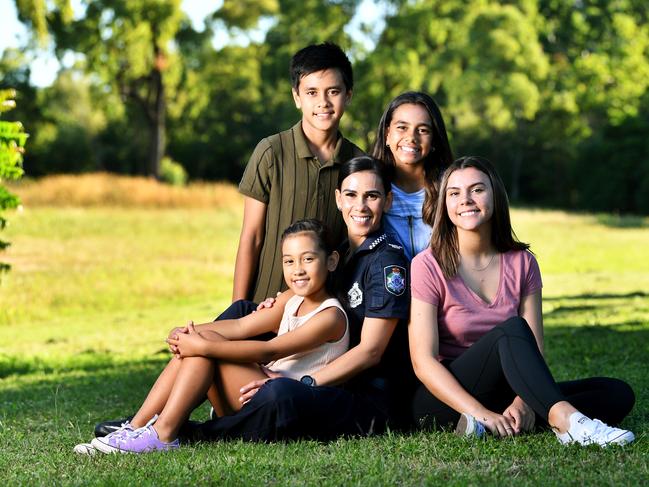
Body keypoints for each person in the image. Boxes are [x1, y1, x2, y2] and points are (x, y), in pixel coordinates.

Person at [175, 155, 411, 441]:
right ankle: (158, 418)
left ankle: (189, 433)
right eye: (351, 195)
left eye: (371, 196)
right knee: (241, 311)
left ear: (386, 201)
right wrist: (190, 333)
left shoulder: (387, 262)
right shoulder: (342, 251)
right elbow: (284, 305)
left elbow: (370, 352)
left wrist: (304, 383)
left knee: (280, 392)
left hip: (363, 394)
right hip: (329, 375)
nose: (359, 206)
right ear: (339, 199)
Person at [408, 156, 635, 446]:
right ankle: (565, 423)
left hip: (506, 388)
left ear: (495, 196)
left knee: (616, 392)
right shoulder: (427, 265)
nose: (465, 199)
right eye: (454, 193)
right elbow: (423, 361)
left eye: (477, 189)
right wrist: (481, 412)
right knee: (512, 330)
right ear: (445, 204)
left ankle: (515, 419)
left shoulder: (522, 262)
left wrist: (523, 402)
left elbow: (535, 348)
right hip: (443, 399)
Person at [75, 219, 349, 454]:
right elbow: (241, 327)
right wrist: (188, 333)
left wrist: (202, 343)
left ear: (332, 260)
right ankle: (136, 428)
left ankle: (162, 434)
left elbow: (270, 351)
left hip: (278, 406)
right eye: (289, 261)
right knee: (199, 346)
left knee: (205, 350)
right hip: (251, 392)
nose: (298, 269)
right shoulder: (291, 298)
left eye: (308, 259)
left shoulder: (330, 316)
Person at [234, 42, 364, 306]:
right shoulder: (271, 152)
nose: (323, 103)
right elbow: (252, 236)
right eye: (312, 92)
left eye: (333, 91)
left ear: (348, 95)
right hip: (264, 305)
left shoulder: (359, 163)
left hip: (325, 312)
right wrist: (238, 306)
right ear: (297, 97)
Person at [371, 92, 453, 260]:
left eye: (422, 130)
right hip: (383, 283)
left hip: (440, 283)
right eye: (402, 127)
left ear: (434, 140)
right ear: (387, 133)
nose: (411, 137)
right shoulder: (370, 185)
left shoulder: (451, 187)